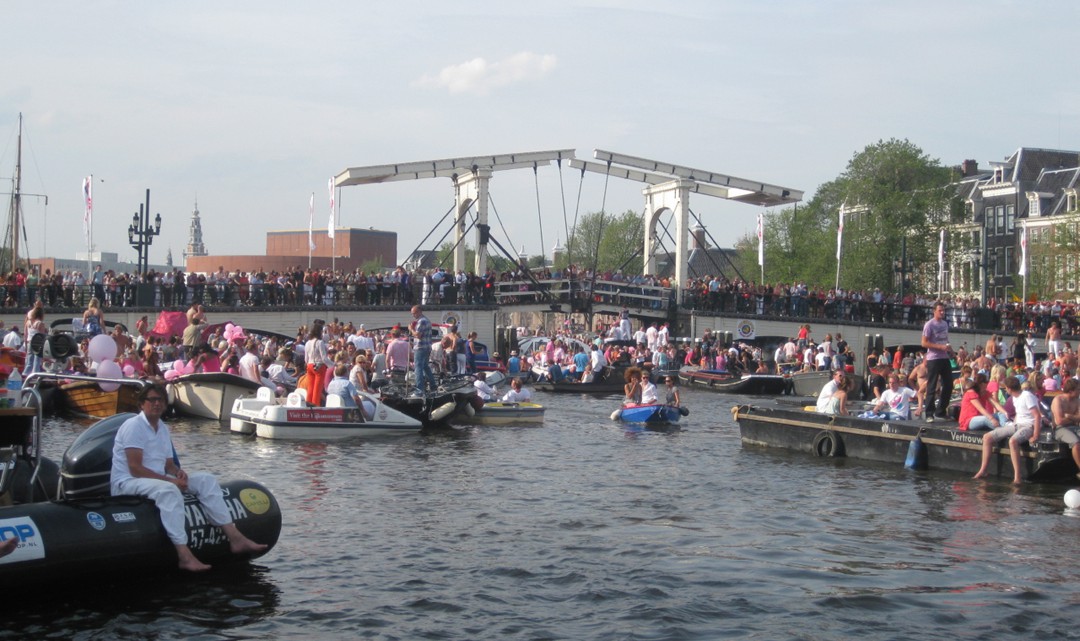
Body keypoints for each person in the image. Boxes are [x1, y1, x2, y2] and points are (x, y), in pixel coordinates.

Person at [110, 384, 267, 572]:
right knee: (169, 491)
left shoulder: (162, 428)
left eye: (160, 400)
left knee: (206, 480)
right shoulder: (134, 426)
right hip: (127, 482)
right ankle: (184, 555)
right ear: (142, 404)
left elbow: (168, 464)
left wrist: (178, 473)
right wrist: (170, 481)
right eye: (152, 400)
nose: (157, 403)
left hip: (155, 479)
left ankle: (235, 538)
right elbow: (135, 469)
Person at [973, 376, 1042, 484]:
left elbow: (1037, 416)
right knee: (987, 437)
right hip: (1017, 424)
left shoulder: (1027, 396)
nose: (1006, 390)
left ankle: (1017, 476)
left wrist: (1036, 435)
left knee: (1012, 441)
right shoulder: (1014, 398)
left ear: (1009, 389)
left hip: (1029, 426)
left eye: (1006, 388)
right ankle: (983, 470)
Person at [921, 301, 953, 423]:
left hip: (944, 357)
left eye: (943, 310)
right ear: (934, 311)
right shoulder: (929, 325)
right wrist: (940, 347)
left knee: (949, 384)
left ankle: (941, 411)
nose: (942, 312)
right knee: (932, 385)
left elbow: (945, 340)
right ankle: (929, 413)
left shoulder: (945, 324)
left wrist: (951, 352)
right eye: (940, 310)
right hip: (933, 358)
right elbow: (924, 343)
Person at [1052, 378, 1080, 478]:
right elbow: (1059, 421)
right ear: (1071, 391)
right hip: (1060, 429)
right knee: (1076, 443)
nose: (1079, 391)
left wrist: (1069, 416)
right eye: (1078, 389)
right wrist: (1074, 418)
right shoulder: (1058, 400)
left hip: (1074, 427)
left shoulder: (1077, 400)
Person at [304, 320, 332, 406]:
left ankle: (308, 406)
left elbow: (306, 359)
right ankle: (316, 407)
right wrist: (333, 365)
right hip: (319, 366)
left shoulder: (307, 343)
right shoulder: (320, 342)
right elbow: (324, 358)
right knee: (317, 389)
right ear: (319, 332)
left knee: (310, 388)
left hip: (309, 365)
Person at [409, 305, 435, 396]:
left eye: (414, 313)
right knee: (425, 367)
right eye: (412, 313)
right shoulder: (427, 320)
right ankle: (433, 386)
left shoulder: (421, 321)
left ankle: (419, 390)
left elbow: (418, 335)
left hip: (420, 347)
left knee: (418, 368)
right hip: (427, 347)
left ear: (419, 311)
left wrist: (411, 329)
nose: (413, 315)